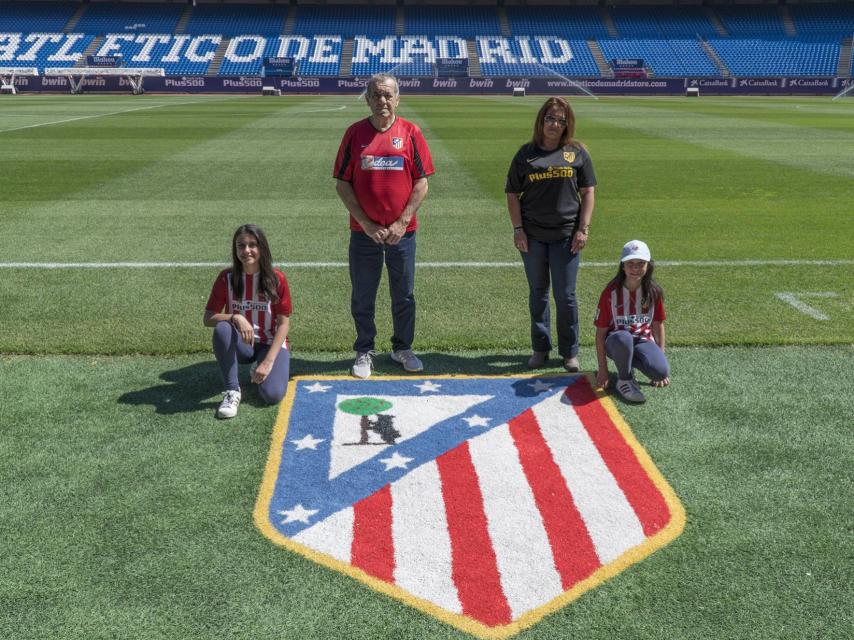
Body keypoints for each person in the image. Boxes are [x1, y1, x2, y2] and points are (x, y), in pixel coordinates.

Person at [334, 73, 435, 379]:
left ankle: (402, 348)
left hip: (402, 234)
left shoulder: (411, 132)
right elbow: (342, 184)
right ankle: (364, 349)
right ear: (367, 99)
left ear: (397, 99)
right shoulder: (354, 134)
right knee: (363, 294)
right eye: (376, 95)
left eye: (388, 95)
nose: (382, 101)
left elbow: (421, 183)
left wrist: (402, 222)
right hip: (364, 234)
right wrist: (365, 223)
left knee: (403, 294)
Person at [505, 96, 596, 372]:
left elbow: (588, 192)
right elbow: (512, 193)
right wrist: (518, 229)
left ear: (567, 125)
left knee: (566, 296)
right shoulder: (525, 154)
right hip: (532, 236)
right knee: (538, 294)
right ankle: (540, 348)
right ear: (541, 120)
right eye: (550, 118)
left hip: (566, 236)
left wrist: (583, 229)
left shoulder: (577, 152)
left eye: (560, 120)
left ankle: (569, 352)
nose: (554, 124)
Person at [203, 224, 292, 419]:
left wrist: (268, 362)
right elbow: (208, 318)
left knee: (272, 395)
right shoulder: (226, 277)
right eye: (241, 246)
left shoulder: (277, 279)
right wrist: (235, 317)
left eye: (252, 245)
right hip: (244, 344)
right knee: (222, 328)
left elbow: (283, 324)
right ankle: (232, 391)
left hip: (270, 343)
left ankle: (262, 363)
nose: (246, 250)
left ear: (262, 248)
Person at [594, 240, 670, 404]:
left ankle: (627, 362)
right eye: (630, 264)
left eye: (641, 263)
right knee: (624, 338)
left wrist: (660, 356)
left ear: (648, 265)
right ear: (623, 266)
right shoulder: (610, 292)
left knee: (661, 372)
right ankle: (624, 380)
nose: (635, 268)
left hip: (642, 340)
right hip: (617, 342)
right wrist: (603, 369)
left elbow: (658, 324)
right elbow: (600, 333)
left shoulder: (653, 292)